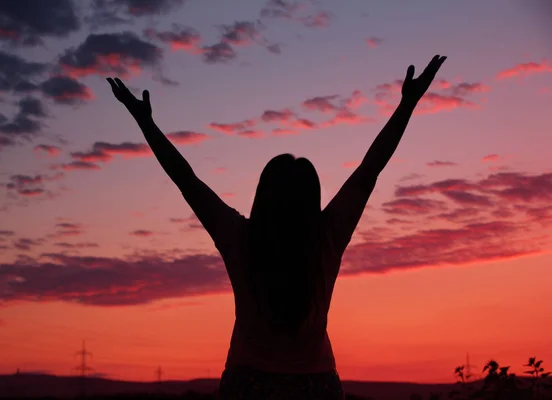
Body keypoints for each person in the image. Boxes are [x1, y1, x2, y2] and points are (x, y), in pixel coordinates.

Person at [107, 54, 447, 400]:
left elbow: (187, 181)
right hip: (315, 387)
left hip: (248, 385)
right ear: (311, 199)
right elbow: (368, 171)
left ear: (262, 196)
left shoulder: (240, 238)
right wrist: (407, 104)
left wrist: (144, 122)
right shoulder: (325, 238)